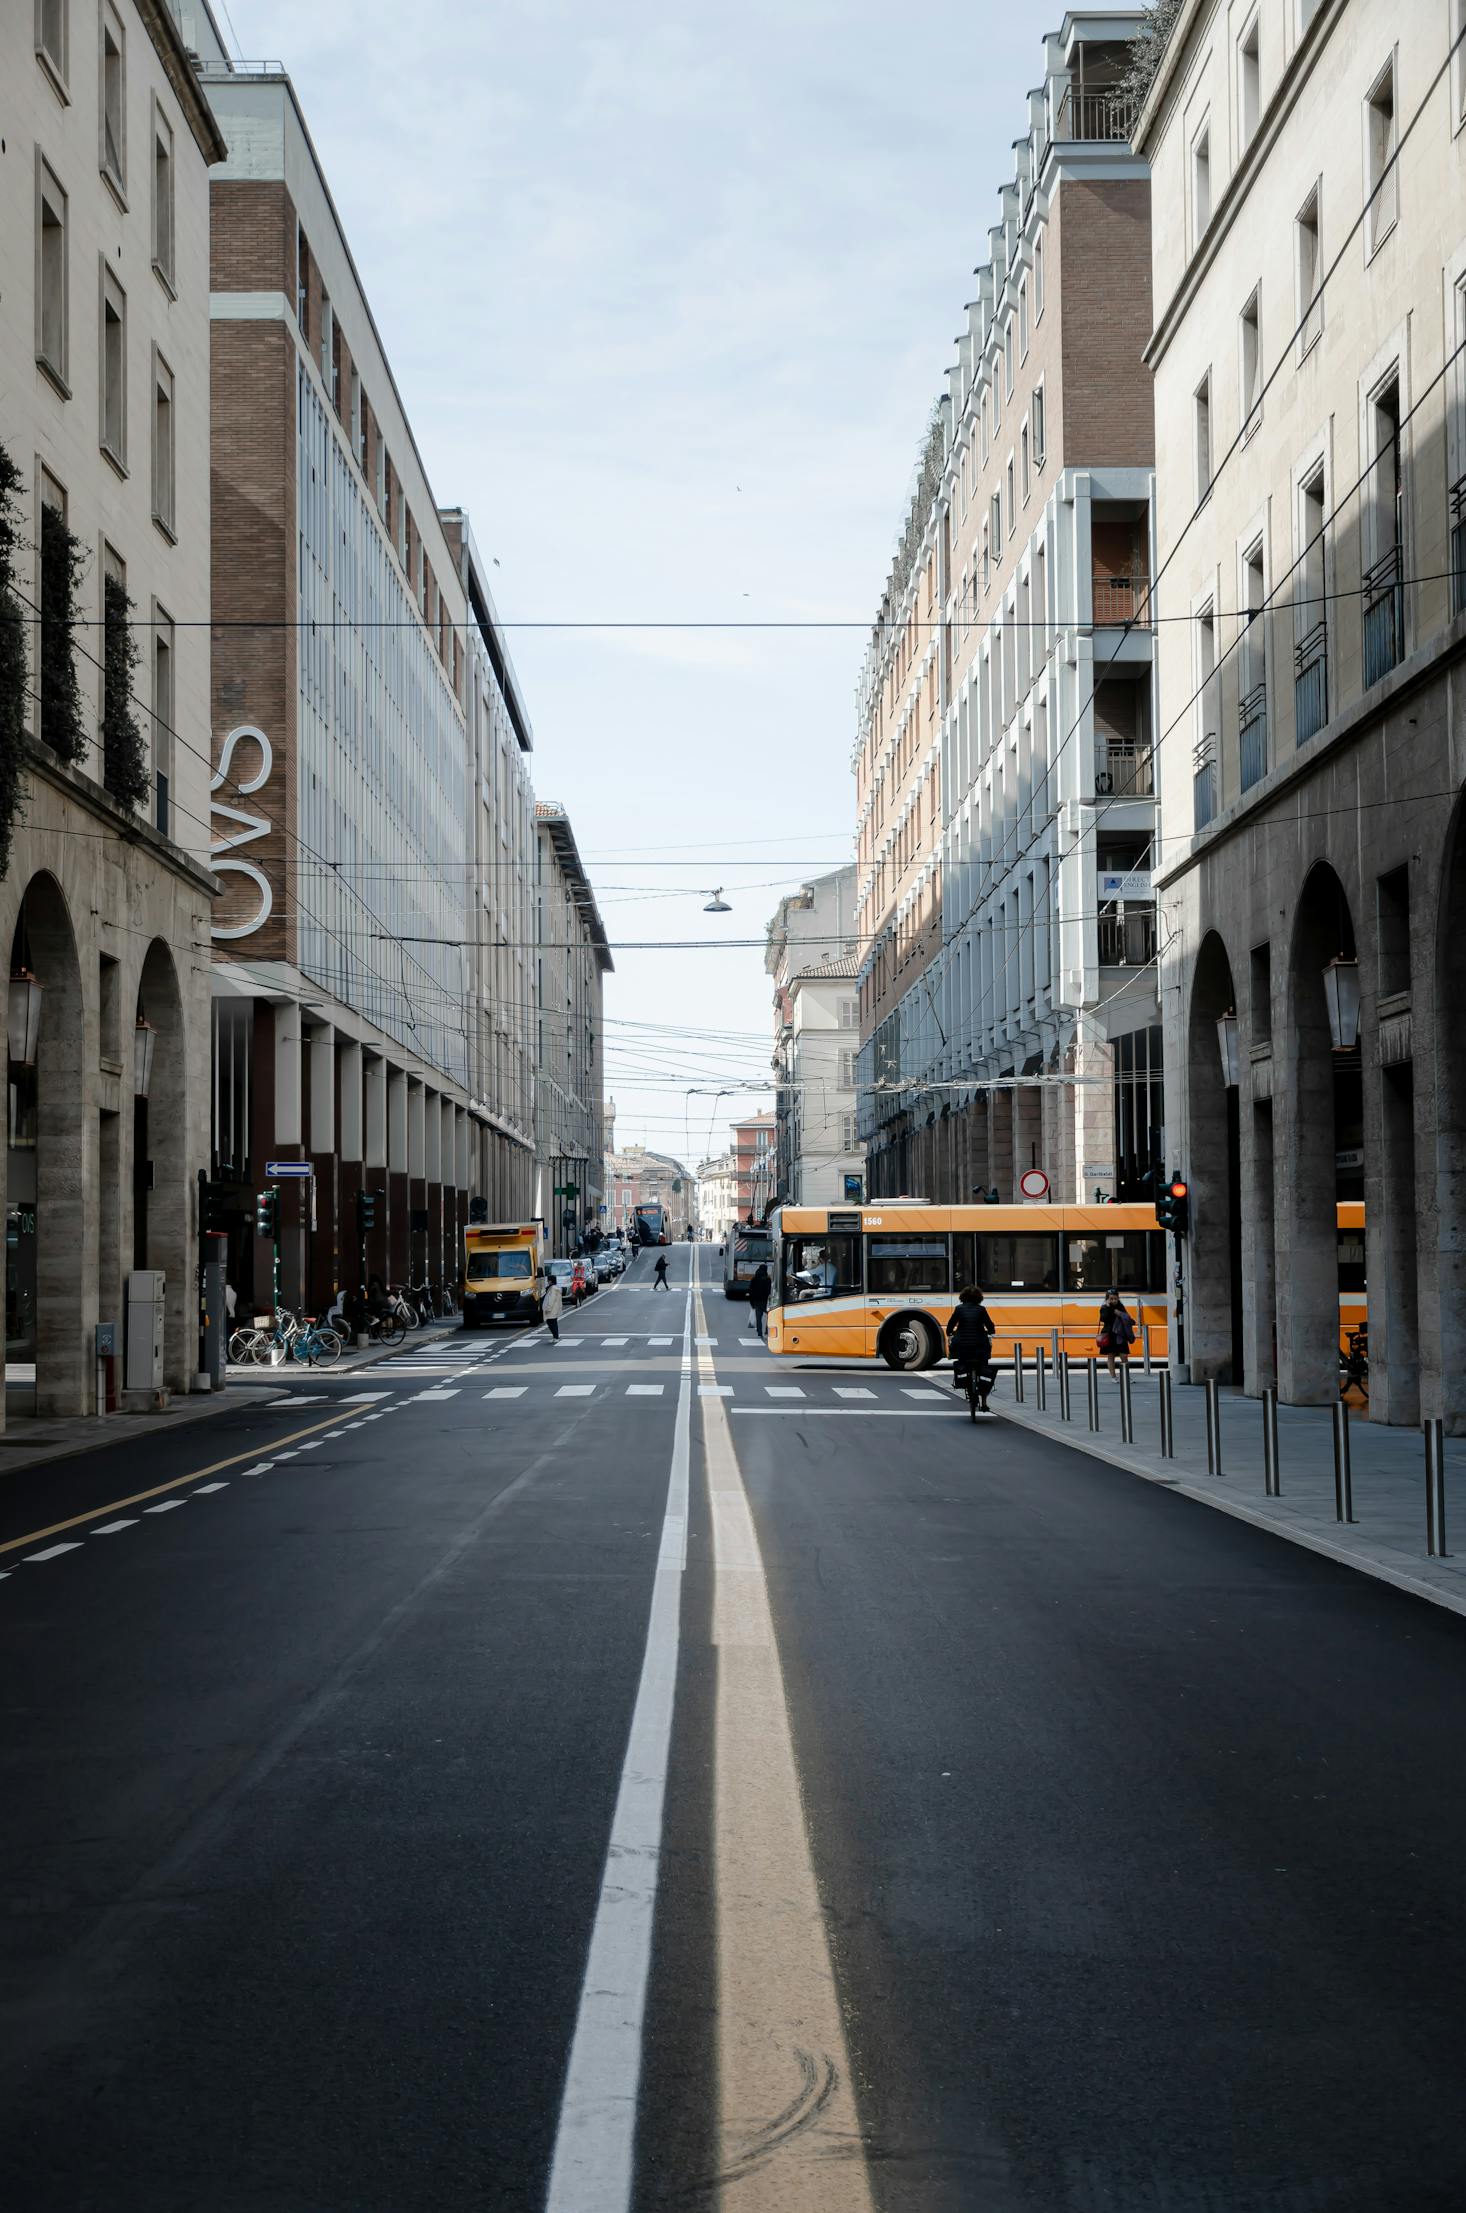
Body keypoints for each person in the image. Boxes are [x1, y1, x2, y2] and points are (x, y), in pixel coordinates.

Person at [946, 1285, 997, 1412]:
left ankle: (966, 1384)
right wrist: (990, 1331)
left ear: (962, 1297)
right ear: (979, 1298)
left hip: (962, 1346)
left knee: (963, 1364)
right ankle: (984, 1402)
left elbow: (950, 1325)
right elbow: (990, 1326)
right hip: (980, 1346)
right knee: (983, 1369)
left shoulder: (958, 1309)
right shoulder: (981, 1310)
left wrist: (950, 1333)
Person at [1097, 1290, 1136, 1378]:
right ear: (1107, 1299)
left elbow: (1127, 1317)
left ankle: (1126, 1377)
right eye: (1111, 1299)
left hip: (1120, 1335)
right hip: (1109, 1334)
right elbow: (1103, 1319)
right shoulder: (1104, 1307)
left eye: (1116, 1298)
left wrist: (1120, 1313)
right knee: (1111, 1355)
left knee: (1124, 1355)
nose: (1114, 1300)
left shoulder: (1120, 1307)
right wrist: (1107, 1307)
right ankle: (1113, 1377)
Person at [746, 1261, 772, 1341]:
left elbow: (751, 1291)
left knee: (758, 1318)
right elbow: (769, 1291)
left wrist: (752, 1302)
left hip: (757, 1301)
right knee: (770, 1316)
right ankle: (767, 1331)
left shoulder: (754, 1279)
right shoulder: (768, 1279)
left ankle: (759, 1332)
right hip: (765, 1301)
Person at [541, 1274, 563, 1343]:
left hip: (552, 1309)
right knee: (553, 1322)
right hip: (554, 1309)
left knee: (551, 1323)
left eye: (548, 1280)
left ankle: (556, 1337)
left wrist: (548, 1308)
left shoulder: (553, 1289)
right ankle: (555, 1337)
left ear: (550, 1281)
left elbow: (551, 1300)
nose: (548, 1282)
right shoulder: (554, 1288)